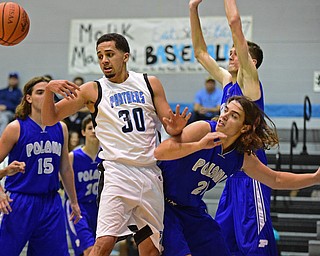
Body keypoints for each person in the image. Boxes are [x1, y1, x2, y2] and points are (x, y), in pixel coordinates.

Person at [41, 33, 190, 256]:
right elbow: (49, 119)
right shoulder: (93, 89)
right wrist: (49, 90)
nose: (104, 60)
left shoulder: (150, 83)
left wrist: (177, 127)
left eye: (110, 54)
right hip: (117, 173)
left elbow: (171, 128)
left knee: (150, 250)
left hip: (150, 173)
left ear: (125, 56)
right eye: (100, 56)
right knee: (103, 245)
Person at [154, 95, 320, 256]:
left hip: (192, 209)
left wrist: (315, 178)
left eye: (234, 116)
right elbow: (160, 152)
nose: (224, 116)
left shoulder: (241, 157)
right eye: (226, 110)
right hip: (163, 204)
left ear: (244, 127)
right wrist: (199, 145)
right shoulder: (203, 129)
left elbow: (275, 179)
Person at [189, 0, 275, 254]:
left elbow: (235, 24)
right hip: (231, 170)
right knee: (224, 242)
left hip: (252, 172)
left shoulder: (250, 83)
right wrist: (193, 8)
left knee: (255, 246)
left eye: (236, 52)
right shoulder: (228, 82)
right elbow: (200, 53)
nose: (231, 54)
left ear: (252, 61)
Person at [0, 76, 81, 256]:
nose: (45, 97)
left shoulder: (61, 128)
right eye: (39, 92)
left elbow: (66, 168)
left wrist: (74, 201)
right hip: (20, 201)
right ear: (28, 98)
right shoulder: (16, 128)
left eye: (49, 93)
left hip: (51, 202)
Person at [65, 115, 101, 256]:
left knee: (101, 249)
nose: (93, 131)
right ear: (83, 132)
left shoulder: (107, 156)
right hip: (79, 207)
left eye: (96, 128)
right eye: (90, 128)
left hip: (100, 208)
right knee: (89, 250)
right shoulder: (73, 156)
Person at [0, 72, 23, 136]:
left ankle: (1, 139)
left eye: (14, 79)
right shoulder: (2, 91)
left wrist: (6, 107)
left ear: (17, 80)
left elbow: (19, 106)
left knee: (3, 118)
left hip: (9, 112)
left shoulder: (18, 93)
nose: (12, 81)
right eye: (11, 79)